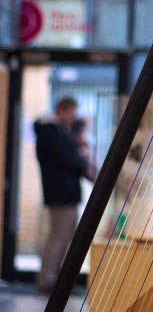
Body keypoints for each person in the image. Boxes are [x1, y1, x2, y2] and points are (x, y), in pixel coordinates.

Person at [34, 96, 90, 293]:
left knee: (63, 239)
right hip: (60, 193)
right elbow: (67, 159)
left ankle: (56, 281)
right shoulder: (50, 132)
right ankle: (47, 280)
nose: (74, 118)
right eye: (72, 114)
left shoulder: (59, 131)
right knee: (58, 238)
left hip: (64, 192)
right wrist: (82, 162)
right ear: (61, 111)